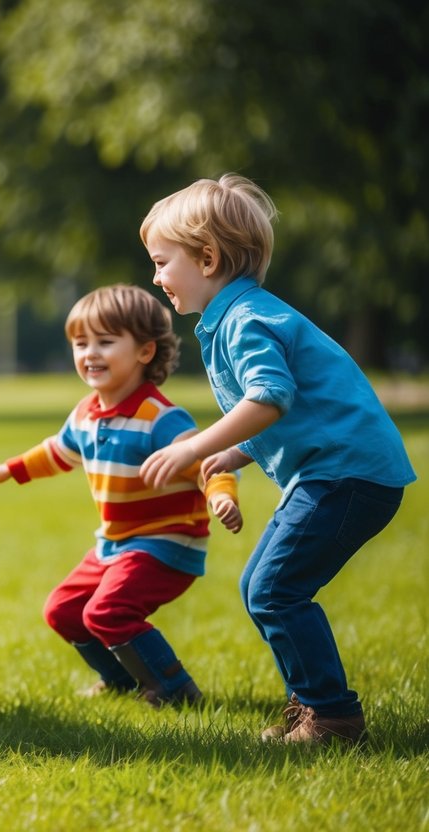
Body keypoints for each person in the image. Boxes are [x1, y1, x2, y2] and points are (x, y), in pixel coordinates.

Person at [138, 174, 415, 744]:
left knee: (273, 591)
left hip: (346, 476)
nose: (158, 277)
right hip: (343, 471)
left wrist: (198, 445)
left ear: (207, 257)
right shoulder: (237, 316)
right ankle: (313, 708)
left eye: (163, 262)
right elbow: (287, 410)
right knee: (260, 589)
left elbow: (270, 397)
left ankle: (332, 718)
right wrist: (237, 455)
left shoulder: (245, 320)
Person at [0, 284, 241, 707]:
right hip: (114, 543)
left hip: (167, 542)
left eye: (105, 342)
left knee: (107, 611)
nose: (90, 353)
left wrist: (222, 496)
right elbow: (56, 453)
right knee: (63, 611)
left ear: (145, 352)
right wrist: (9, 470)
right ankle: (123, 680)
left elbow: (207, 463)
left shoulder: (160, 418)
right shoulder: (85, 413)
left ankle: (176, 690)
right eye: (81, 343)